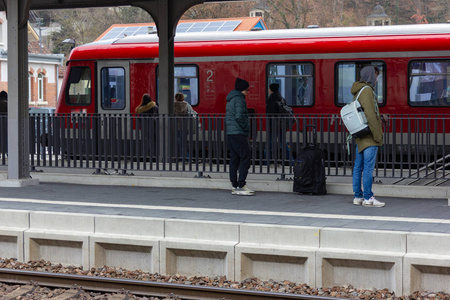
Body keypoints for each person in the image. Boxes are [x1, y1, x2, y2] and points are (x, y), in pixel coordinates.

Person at [351, 66, 385, 208]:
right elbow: (371, 115)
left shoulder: (358, 90)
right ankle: (368, 197)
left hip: (360, 134)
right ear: (371, 76)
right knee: (368, 168)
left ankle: (358, 196)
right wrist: (378, 136)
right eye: (376, 75)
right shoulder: (368, 91)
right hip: (369, 135)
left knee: (358, 167)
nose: (377, 79)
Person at [225, 78, 254, 196]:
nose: (248, 92)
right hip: (238, 132)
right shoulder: (240, 100)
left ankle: (235, 185)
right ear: (243, 90)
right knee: (246, 158)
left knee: (234, 158)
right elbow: (239, 116)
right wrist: (246, 128)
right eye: (247, 90)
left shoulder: (231, 99)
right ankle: (241, 185)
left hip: (231, 133)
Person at [265, 83, 290, 164]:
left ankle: (267, 163)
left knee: (268, 146)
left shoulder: (270, 100)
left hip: (272, 126)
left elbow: (269, 114)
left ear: (271, 89)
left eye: (269, 89)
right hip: (281, 126)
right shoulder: (282, 99)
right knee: (284, 145)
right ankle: (292, 162)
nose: (268, 90)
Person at [174, 92, 198, 161]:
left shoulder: (173, 105)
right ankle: (186, 157)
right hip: (184, 127)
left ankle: (178, 157)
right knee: (183, 143)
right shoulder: (187, 105)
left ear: (176, 98)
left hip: (174, 127)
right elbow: (193, 114)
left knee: (176, 143)